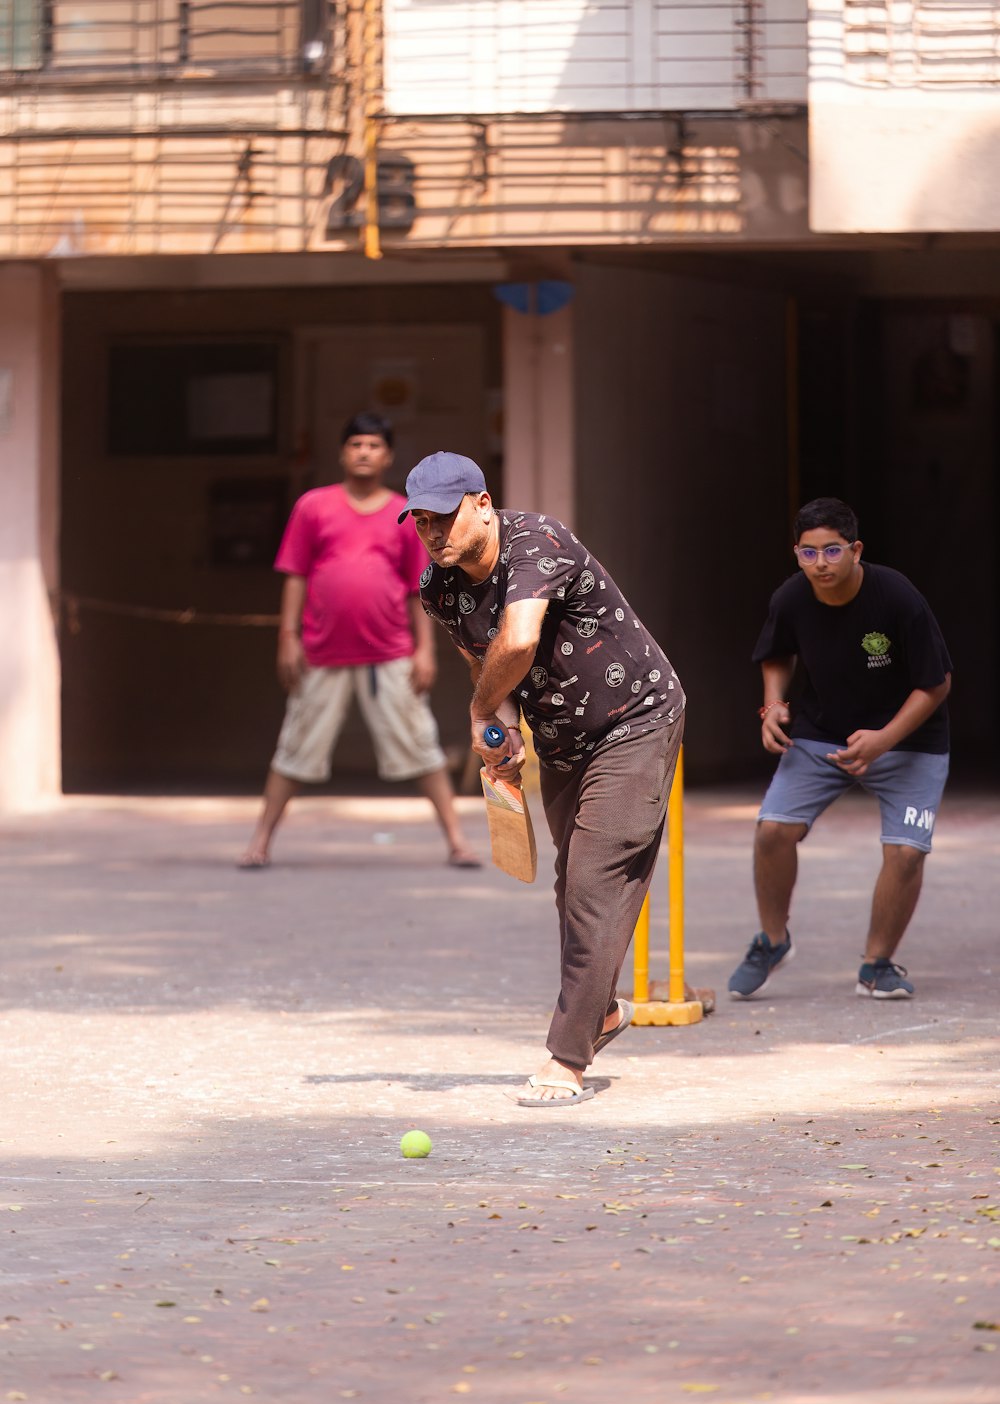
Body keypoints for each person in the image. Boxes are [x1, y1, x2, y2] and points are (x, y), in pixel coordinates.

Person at [398, 451, 686, 1107]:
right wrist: (497, 730)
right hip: (561, 735)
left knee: (595, 881)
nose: (435, 534)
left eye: (445, 517)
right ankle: (603, 1011)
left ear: (481, 502)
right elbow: (486, 665)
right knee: (572, 883)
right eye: (421, 522)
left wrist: (474, 711)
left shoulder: (537, 541)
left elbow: (520, 641)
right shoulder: (438, 588)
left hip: (635, 719)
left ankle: (567, 1058)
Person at [728, 497, 952, 1001]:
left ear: (855, 550)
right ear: (796, 554)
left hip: (909, 741)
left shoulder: (897, 597)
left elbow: (937, 684)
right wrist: (772, 705)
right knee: (771, 832)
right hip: (822, 734)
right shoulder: (791, 598)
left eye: (832, 551)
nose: (821, 564)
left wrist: (884, 740)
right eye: (809, 554)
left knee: (906, 853)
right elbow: (776, 654)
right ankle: (773, 940)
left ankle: (877, 964)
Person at [240, 414, 479, 871]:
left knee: (420, 746)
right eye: (356, 444)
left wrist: (424, 650)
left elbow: (417, 588)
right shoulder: (313, 506)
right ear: (342, 453)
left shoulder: (406, 513)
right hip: (322, 651)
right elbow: (295, 576)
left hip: (390, 653)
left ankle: (456, 842)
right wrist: (287, 637)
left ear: (388, 456)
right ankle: (260, 842)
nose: (364, 452)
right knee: (294, 748)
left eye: (373, 444)